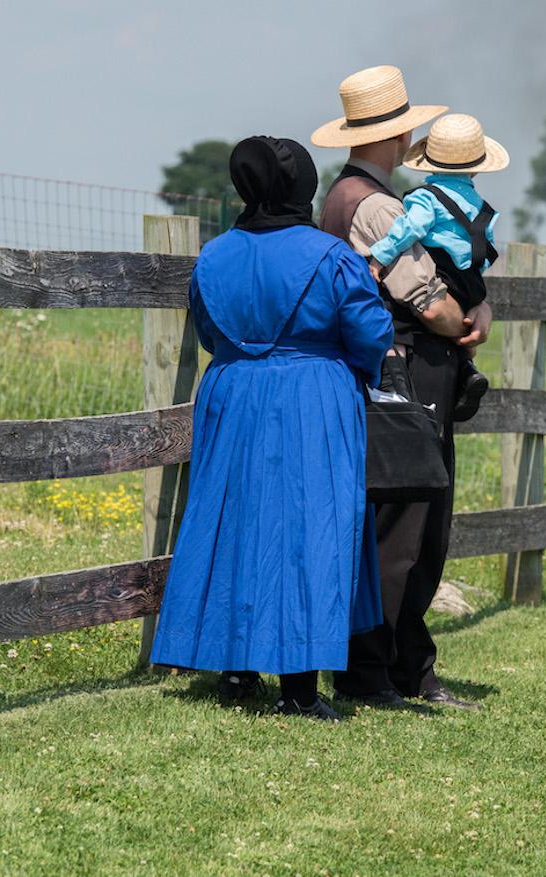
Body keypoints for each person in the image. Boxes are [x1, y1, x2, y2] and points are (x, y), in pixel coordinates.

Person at [150, 135, 394, 721]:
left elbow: (209, 333)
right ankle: (299, 690)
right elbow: (371, 335)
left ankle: (236, 671)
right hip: (313, 397)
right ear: (302, 187)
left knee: (234, 521)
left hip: (233, 394)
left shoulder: (213, 256)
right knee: (309, 528)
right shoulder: (331, 256)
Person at [312, 65, 489, 710]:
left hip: (390, 367)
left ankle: (402, 665)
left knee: (400, 519)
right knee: (409, 524)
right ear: (398, 134)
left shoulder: (342, 196)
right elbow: (428, 300)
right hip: (410, 369)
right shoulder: (379, 205)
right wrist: (468, 318)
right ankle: (377, 670)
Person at [367, 112, 508, 421]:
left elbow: (409, 229)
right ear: (476, 168)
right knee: (464, 324)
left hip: (444, 273)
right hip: (472, 280)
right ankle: (467, 367)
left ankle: (416, 379)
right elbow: (486, 245)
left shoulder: (426, 198)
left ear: (429, 163)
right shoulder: (479, 203)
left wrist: (379, 257)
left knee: (402, 313)